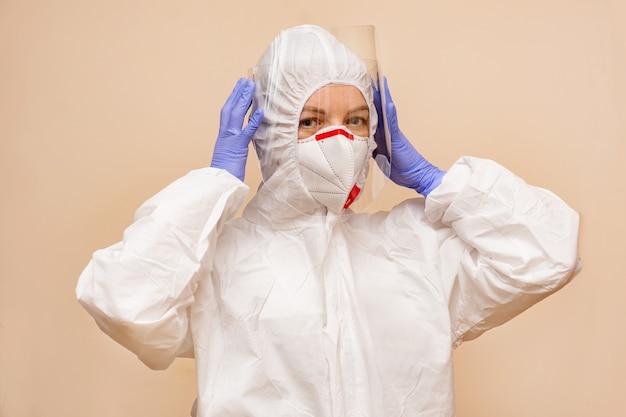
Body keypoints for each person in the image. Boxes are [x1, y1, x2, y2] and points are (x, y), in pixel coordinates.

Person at [76, 25, 581, 417]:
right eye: (311, 120)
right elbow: (123, 300)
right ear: (268, 132)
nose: (339, 140)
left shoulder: (411, 246)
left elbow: (549, 252)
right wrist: (213, 186)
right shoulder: (217, 256)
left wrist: (435, 180)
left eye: (355, 120)